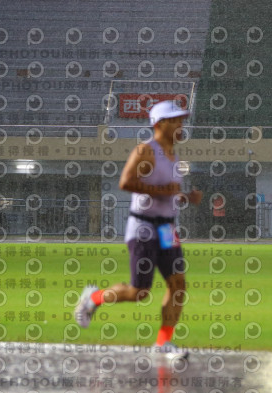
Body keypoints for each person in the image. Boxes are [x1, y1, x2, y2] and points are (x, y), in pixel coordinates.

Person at [75, 100, 203, 359]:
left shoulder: (174, 157)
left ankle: (163, 342)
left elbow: (170, 194)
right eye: (176, 121)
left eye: (182, 120)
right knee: (139, 292)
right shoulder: (146, 150)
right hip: (144, 227)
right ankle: (94, 298)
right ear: (160, 124)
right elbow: (126, 182)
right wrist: (162, 191)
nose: (181, 125)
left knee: (178, 285)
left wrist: (186, 197)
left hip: (167, 229)